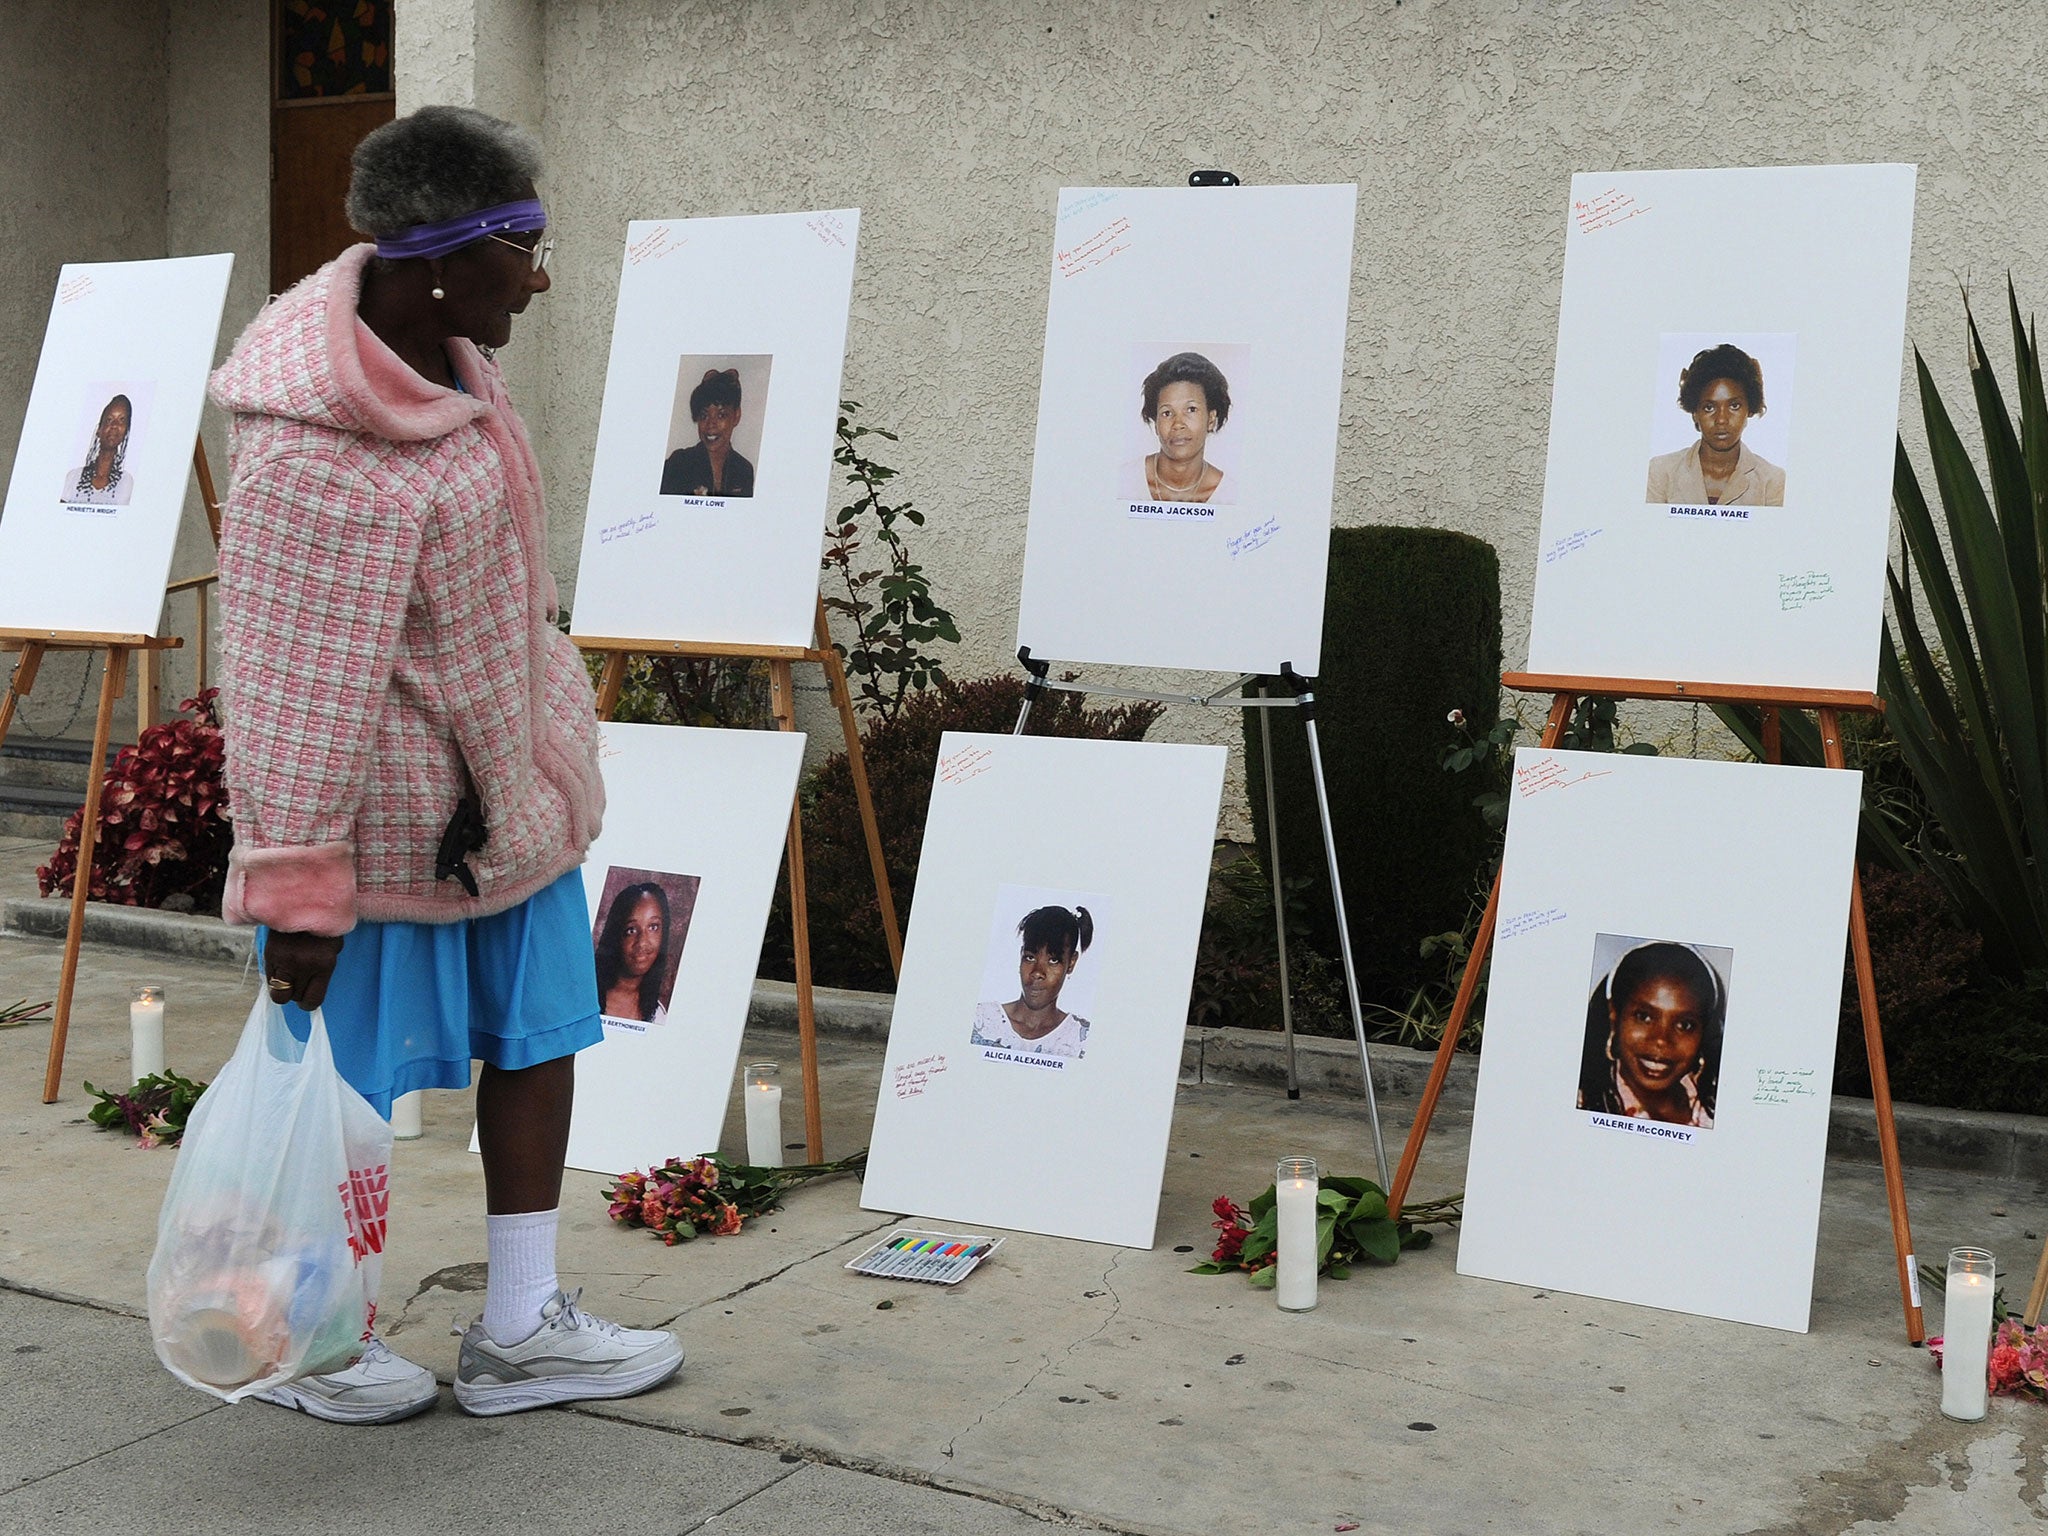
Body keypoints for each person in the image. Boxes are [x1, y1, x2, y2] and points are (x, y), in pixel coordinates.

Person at [210, 105, 681, 1425]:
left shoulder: (456, 365)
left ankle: (522, 1326)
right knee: (339, 1096)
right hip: (377, 846)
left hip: (507, 808)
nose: (539, 274)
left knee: (538, 1042)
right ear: (437, 261)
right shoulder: (313, 444)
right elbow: (293, 694)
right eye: (523, 244)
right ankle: (317, 1336)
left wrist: (547, 747)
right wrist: (297, 892)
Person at [1576, 941, 1725, 1128]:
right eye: (1644, 1017)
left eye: (1684, 1025)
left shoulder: (1715, 1106)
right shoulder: (1584, 1106)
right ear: (1614, 1016)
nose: (1661, 1040)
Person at [1644, 343, 1786, 507]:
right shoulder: (1660, 472)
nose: (1721, 420)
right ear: (1695, 413)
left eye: (1734, 406)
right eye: (1709, 407)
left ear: (1749, 409)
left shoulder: (1772, 481)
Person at [971, 905, 1095, 1060]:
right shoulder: (980, 1021)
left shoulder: (1080, 1040)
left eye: (1053, 960)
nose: (1037, 972)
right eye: (1030, 957)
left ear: (1071, 963)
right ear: (1021, 954)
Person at [1122, 351, 1231, 505]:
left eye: (1191, 409)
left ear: (1211, 419)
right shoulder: (1125, 482)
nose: (1178, 424)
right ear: (1156, 423)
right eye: (1167, 413)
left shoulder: (1229, 495)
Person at [659, 368, 754, 497]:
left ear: (736, 416)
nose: (710, 424)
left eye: (721, 415)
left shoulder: (743, 470)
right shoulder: (678, 464)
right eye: (704, 415)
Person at [595, 882, 672, 1024]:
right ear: (615, 935)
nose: (642, 942)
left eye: (653, 927)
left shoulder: (658, 1016)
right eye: (631, 930)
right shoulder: (586, 995)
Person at [66, 393, 134, 505]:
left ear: (125, 432)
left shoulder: (126, 482)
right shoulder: (73, 477)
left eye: (121, 420)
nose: (115, 425)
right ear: (99, 430)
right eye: (109, 420)